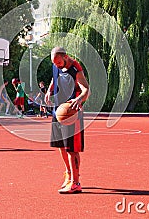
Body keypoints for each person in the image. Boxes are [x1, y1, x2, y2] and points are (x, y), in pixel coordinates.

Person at [45, 47, 90, 194]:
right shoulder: (56, 65)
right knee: (61, 146)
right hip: (58, 111)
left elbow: (85, 89)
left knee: (72, 149)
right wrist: (49, 91)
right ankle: (69, 174)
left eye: (58, 62)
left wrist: (80, 98)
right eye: (54, 63)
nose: (57, 65)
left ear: (65, 57)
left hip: (71, 113)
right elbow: (54, 77)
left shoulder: (75, 68)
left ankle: (76, 183)